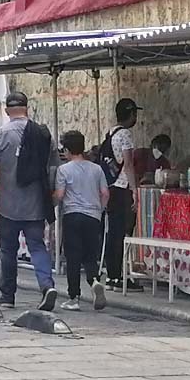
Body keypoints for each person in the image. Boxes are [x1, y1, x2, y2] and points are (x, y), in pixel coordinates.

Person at [0, 91, 59, 312]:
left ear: (7, 111)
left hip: (7, 205)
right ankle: (47, 285)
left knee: (8, 250)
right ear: (27, 108)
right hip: (36, 204)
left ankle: (7, 296)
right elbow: (53, 168)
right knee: (37, 246)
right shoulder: (43, 134)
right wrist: (51, 197)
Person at [54, 130, 110, 311]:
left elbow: (60, 195)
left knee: (73, 258)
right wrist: (99, 210)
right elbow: (105, 193)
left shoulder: (63, 170)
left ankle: (74, 297)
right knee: (90, 256)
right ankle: (94, 282)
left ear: (67, 150)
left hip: (72, 215)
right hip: (93, 216)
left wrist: (51, 200)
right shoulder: (97, 169)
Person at [101, 98, 144, 291]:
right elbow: (128, 164)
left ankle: (112, 275)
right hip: (122, 188)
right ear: (131, 114)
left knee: (113, 232)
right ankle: (118, 276)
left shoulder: (111, 132)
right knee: (122, 233)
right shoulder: (125, 134)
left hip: (111, 187)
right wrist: (134, 190)